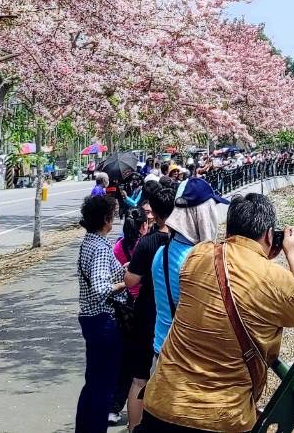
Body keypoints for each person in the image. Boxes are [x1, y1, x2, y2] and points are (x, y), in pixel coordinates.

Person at [141, 194, 294, 433]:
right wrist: (292, 254)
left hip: (162, 404)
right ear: (269, 234)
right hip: (220, 418)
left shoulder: (198, 255)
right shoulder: (274, 278)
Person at [122, 182, 176, 429]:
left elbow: (131, 280)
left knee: (139, 379)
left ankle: (134, 427)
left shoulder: (146, 243)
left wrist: (132, 270)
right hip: (171, 316)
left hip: (146, 314)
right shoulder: (178, 243)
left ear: (152, 211)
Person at [148, 177, 220, 358]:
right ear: (203, 215)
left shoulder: (161, 254)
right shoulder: (201, 262)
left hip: (162, 350)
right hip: (187, 360)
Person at [76, 194, 127, 433]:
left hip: (92, 319)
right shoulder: (99, 247)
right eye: (113, 216)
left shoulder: (92, 241)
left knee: (94, 382)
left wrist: (125, 270)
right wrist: (123, 284)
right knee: (103, 385)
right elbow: (100, 287)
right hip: (102, 319)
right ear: (106, 219)